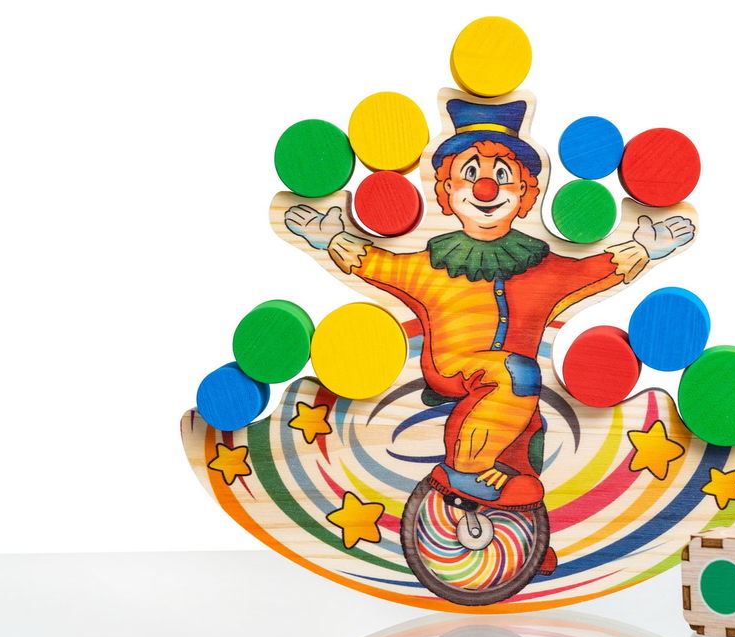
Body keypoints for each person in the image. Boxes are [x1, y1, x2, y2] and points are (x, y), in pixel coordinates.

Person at [285, 99, 695, 510]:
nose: (486, 189)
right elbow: (383, 266)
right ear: (447, 190)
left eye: (502, 176)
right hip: (453, 366)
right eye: (470, 174)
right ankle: (461, 470)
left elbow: (586, 272)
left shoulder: (539, 266)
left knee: (525, 436)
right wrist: (332, 240)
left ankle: (516, 510)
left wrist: (643, 248)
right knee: (516, 374)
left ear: (525, 192)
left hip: (514, 388)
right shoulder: (434, 264)